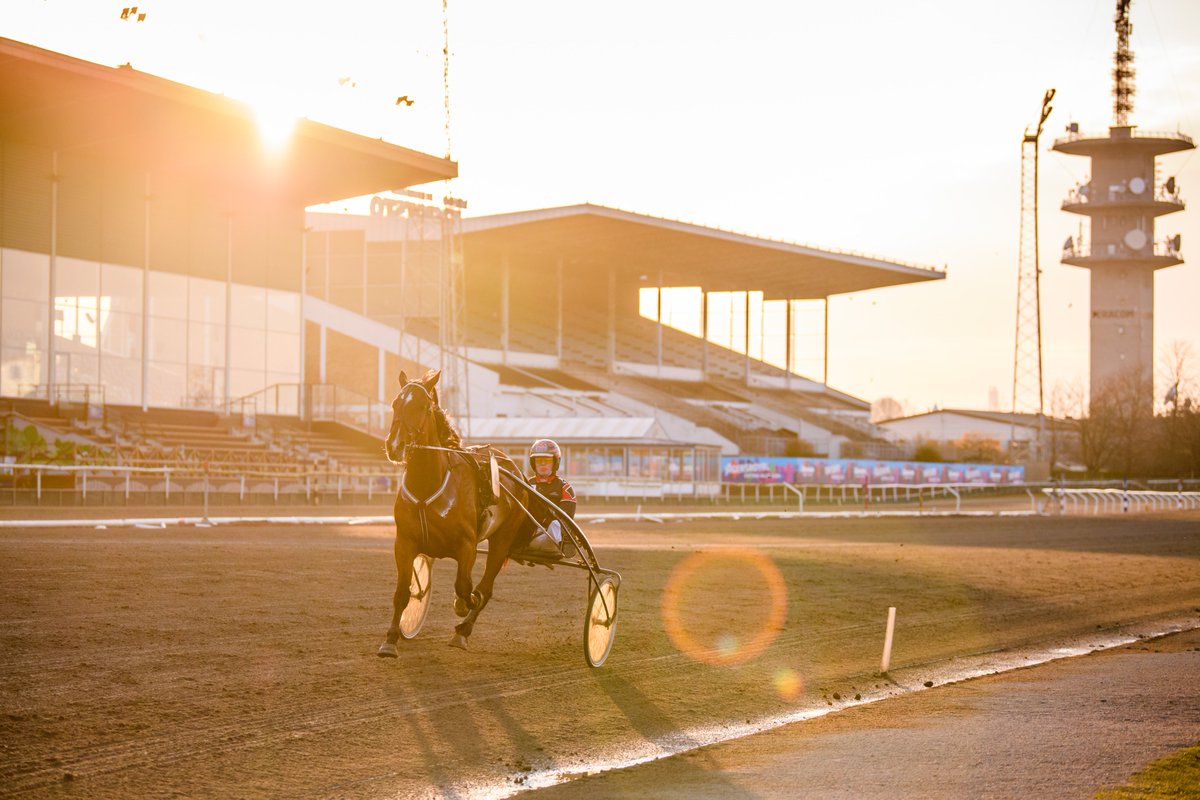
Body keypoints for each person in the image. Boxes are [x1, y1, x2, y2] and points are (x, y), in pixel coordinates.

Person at [524, 439, 577, 556]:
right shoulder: (526, 484)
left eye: (547, 460)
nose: (542, 464)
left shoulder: (565, 487)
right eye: (539, 460)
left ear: (555, 463)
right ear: (533, 463)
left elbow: (566, 518)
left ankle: (565, 545)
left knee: (556, 524)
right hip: (529, 535)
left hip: (552, 537)